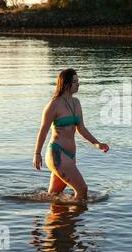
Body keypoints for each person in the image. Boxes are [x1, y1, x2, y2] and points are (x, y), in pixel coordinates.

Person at [33, 69, 109, 203]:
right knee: (82, 190)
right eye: (75, 82)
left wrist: (97, 144)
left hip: (70, 155)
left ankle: (56, 223)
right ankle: (75, 222)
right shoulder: (54, 104)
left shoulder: (76, 103)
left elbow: (81, 128)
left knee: (54, 196)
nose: (78, 84)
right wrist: (37, 153)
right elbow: (43, 130)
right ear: (66, 84)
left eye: (78, 81)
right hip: (57, 154)